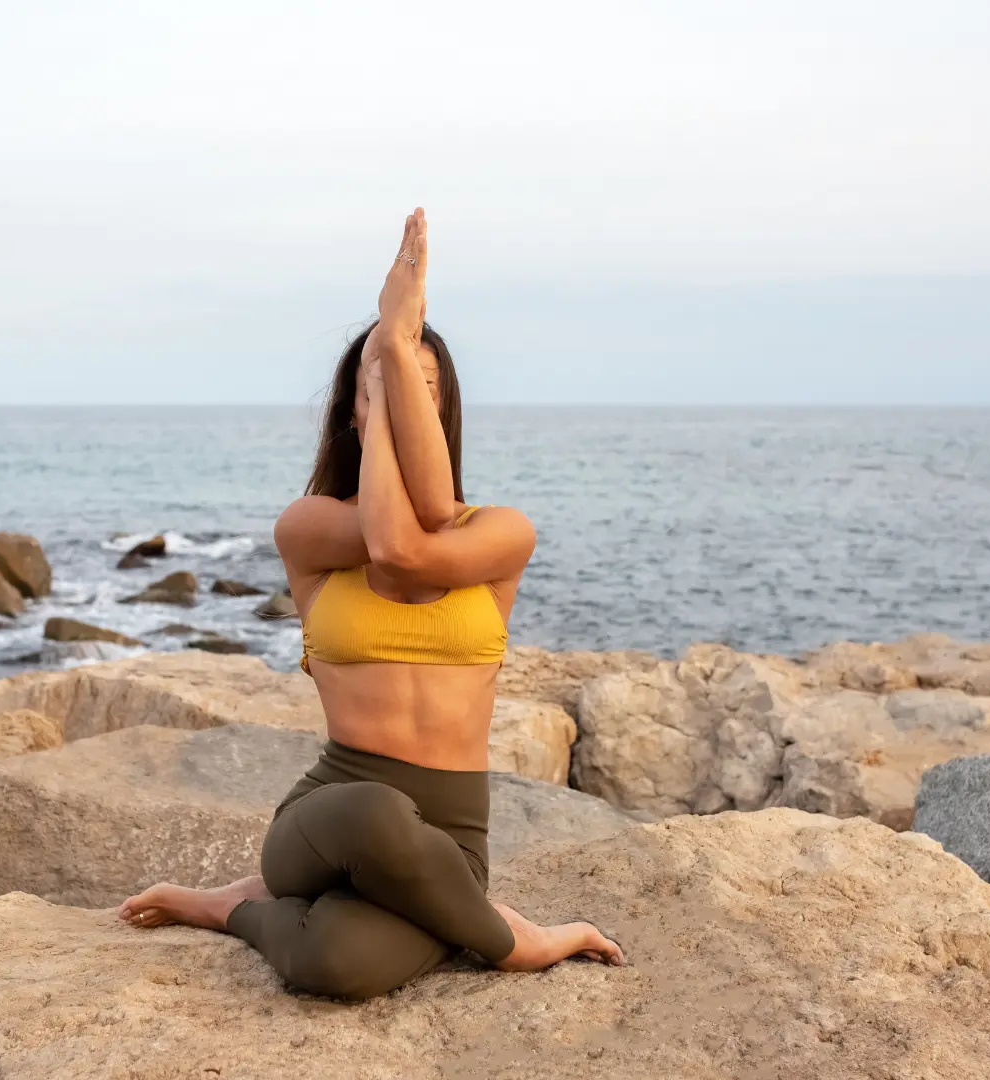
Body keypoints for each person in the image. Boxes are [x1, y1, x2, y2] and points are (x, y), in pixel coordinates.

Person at [118, 208, 624, 1001]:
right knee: (380, 812)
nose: (393, 398)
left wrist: (391, 344)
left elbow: (416, 539)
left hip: (451, 838)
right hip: (327, 819)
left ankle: (232, 909)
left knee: (337, 967)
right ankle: (513, 938)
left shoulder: (501, 535)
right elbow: (388, 546)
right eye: (375, 391)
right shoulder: (311, 529)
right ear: (351, 412)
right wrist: (391, 354)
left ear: (445, 410)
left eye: (420, 391)